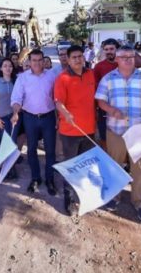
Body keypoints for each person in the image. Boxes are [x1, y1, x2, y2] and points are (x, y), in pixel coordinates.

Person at [95, 45, 141, 222]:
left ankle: (139, 202)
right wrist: (111, 109)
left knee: (138, 168)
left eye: (131, 57)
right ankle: (114, 197)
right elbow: (100, 100)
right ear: (116, 59)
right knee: (115, 166)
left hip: (139, 132)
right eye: (123, 57)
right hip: (115, 131)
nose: (127, 60)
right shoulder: (108, 78)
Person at [54, 45, 97, 216]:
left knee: (85, 166)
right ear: (68, 60)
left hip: (89, 130)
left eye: (80, 56)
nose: (78, 60)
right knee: (71, 166)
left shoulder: (90, 74)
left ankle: (83, 194)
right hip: (70, 130)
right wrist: (66, 114)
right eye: (74, 57)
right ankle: (69, 199)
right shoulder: (62, 78)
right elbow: (58, 102)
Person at [11, 49, 57, 195]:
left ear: (44, 61)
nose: (37, 63)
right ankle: (36, 178)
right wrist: (15, 111)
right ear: (29, 62)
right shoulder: (22, 78)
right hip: (30, 118)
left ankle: (50, 179)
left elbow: (59, 97)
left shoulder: (52, 76)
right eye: (34, 60)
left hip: (49, 117)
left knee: (50, 150)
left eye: (39, 60)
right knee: (31, 149)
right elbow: (16, 98)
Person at [93, 38, 120, 148]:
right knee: (104, 136)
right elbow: (95, 88)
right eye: (106, 49)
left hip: (122, 105)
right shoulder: (99, 67)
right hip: (104, 107)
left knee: (123, 136)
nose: (109, 51)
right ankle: (106, 159)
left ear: (117, 49)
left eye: (112, 49)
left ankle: (123, 162)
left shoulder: (125, 63)